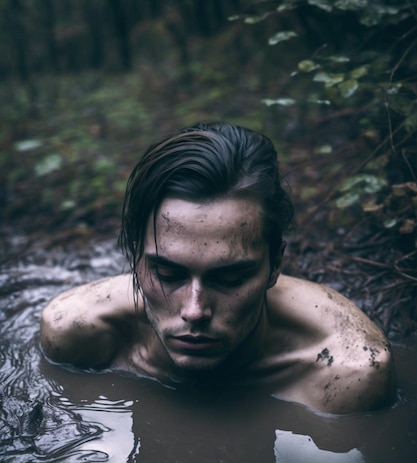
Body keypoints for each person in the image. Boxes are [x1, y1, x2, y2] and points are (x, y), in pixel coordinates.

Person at [40, 121, 395, 413]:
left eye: (229, 278)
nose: (195, 310)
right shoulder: (77, 332)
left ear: (275, 266)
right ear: (135, 258)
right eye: (168, 274)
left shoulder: (344, 371)